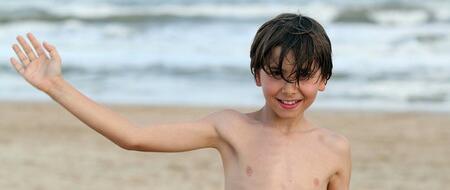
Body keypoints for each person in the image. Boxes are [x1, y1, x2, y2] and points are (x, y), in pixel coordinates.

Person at [10, 13, 351, 190]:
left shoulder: (334, 148)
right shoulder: (231, 128)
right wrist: (54, 85)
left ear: (323, 80)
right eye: (277, 73)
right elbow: (134, 137)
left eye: (303, 76)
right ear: (257, 75)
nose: (289, 89)